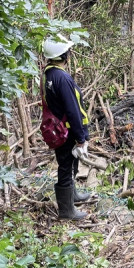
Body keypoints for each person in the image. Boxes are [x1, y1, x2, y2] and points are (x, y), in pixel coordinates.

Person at [42, 37, 91, 221]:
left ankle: (73, 196)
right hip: (67, 130)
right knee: (65, 166)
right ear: (64, 55)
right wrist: (81, 137)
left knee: (71, 162)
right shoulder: (62, 77)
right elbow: (73, 109)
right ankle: (66, 211)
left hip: (59, 129)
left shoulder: (48, 74)